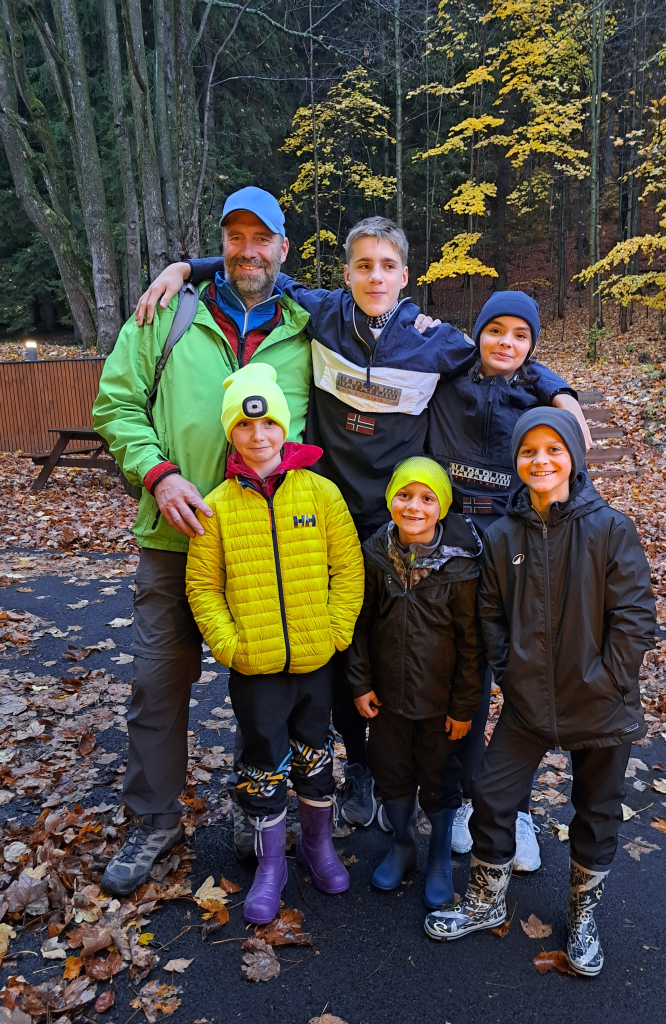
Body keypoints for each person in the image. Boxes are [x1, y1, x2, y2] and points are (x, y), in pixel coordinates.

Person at [135, 219, 588, 829]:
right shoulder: (321, 313)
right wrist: (187, 267)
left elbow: (502, 356)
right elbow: (257, 268)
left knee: (408, 643)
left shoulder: (435, 340)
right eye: (364, 265)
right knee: (342, 644)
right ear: (346, 273)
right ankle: (359, 768)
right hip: (328, 514)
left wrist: (561, 392)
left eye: (388, 266)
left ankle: (424, 778)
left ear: (405, 277)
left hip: (402, 518)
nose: (376, 277)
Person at [92, 186, 312, 893]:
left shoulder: (308, 328)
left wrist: (553, 390)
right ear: (220, 243)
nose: (247, 251)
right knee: (157, 684)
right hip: (174, 538)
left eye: (261, 238)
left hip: (265, 547)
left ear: (283, 247)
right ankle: (154, 820)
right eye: (234, 237)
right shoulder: (167, 315)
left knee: (264, 693)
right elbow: (116, 404)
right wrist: (158, 476)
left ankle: (259, 811)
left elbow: (390, 337)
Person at [424, 408, 656, 978]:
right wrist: (513, 675)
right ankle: (487, 899)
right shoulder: (503, 536)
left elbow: (635, 617)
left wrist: (609, 680)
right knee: (492, 793)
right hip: (528, 701)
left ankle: (582, 915)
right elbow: (491, 616)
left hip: (601, 703)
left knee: (596, 810)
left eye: (554, 449)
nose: (541, 460)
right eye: (529, 451)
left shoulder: (610, 528)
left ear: (574, 457)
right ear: (516, 461)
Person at [185, 362, 364, 923]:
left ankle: (316, 846)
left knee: (315, 753)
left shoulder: (321, 494)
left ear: (284, 426)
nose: (258, 436)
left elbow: (348, 570)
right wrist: (229, 645)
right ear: (231, 431)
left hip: (315, 660)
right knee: (262, 761)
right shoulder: (217, 506)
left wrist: (334, 632)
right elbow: (203, 586)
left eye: (267, 424)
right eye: (243, 425)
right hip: (254, 666)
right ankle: (271, 865)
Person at [427, 291, 593, 868]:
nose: (505, 342)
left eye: (521, 335)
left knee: (520, 678)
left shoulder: (539, 397)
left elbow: (572, 481)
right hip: (451, 544)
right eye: (495, 329)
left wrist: (560, 390)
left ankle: (515, 809)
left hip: (516, 547)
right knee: (463, 678)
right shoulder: (447, 378)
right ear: (477, 333)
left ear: (533, 346)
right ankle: (460, 800)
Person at [346, 457, 482, 910]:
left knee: (440, 778)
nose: (414, 507)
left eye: (427, 498)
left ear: (441, 507)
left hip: (439, 705)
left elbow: (471, 644)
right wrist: (360, 682)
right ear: (390, 499)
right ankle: (402, 843)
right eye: (404, 495)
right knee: (392, 772)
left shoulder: (460, 566)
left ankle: (439, 856)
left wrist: (463, 706)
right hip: (386, 701)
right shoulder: (374, 554)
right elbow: (361, 624)